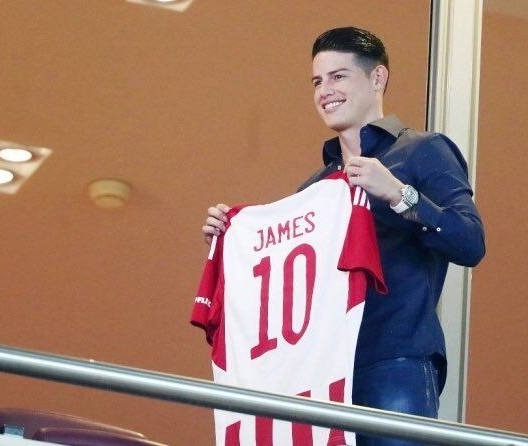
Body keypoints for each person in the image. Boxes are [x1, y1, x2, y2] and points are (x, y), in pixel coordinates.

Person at [201, 27, 485, 446]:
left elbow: (470, 242)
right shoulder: (316, 188)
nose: (324, 90)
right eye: (317, 81)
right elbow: (289, 285)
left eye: (338, 76)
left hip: (393, 362)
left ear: (377, 78)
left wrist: (400, 194)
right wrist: (232, 239)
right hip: (318, 374)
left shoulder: (422, 150)